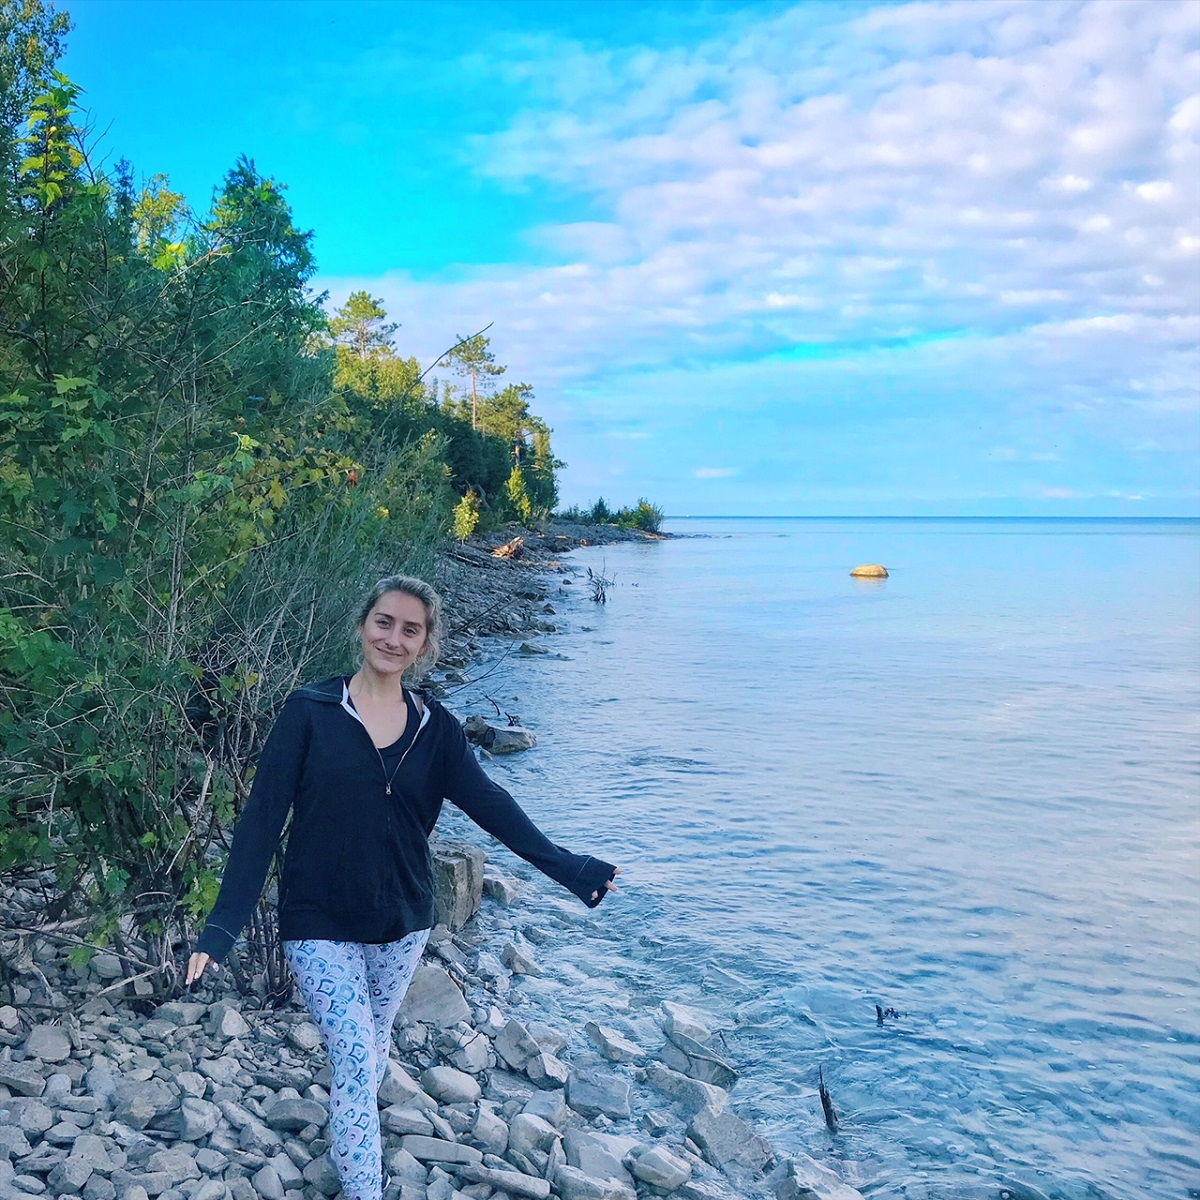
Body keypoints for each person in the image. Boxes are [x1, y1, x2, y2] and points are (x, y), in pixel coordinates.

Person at [186, 574, 620, 1200]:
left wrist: (569, 868)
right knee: (359, 1056)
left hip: (404, 923)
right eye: (384, 622)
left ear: (424, 645)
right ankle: (367, 1184)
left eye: (409, 629)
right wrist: (222, 926)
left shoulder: (435, 730)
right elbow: (260, 821)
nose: (393, 637)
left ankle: (351, 1129)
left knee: (368, 1049)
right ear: (363, 625)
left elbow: (491, 804)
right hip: (317, 923)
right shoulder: (311, 712)